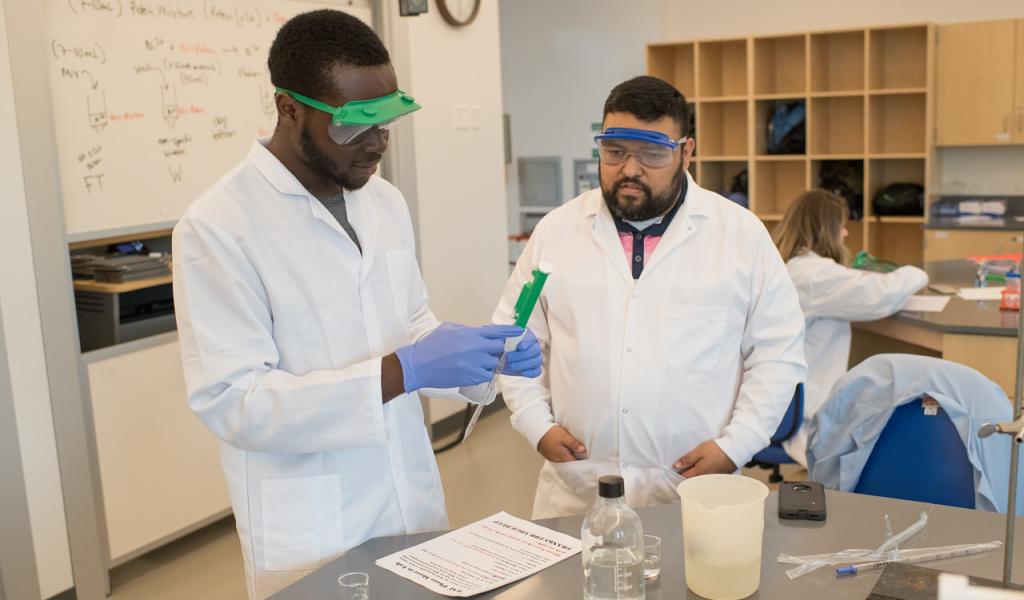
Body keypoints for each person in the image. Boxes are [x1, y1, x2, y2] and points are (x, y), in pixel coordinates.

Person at [171, 10, 540, 598]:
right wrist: (402, 371)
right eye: (355, 125)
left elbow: (409, 324)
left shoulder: (384, 201)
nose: (376, 144)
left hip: (408, 497)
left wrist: (477, 358)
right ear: (289, 109)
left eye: (386, 122)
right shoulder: (217, 227)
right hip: (314, 523)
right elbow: (234, 402)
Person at [494, 76, 807, 519]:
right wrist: (534, 424)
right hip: (578, 486)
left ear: (686, 151)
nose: (630, 169)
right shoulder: (555, 233)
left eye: (652, 153)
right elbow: (514, 338)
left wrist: (736, 446)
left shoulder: (740, 236)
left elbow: (778, 354)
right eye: (614, 151)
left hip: (694, 489)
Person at [773, 190, 928, 467]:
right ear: (825, 229)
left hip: (785, 401)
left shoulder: (791, 266)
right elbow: (881, 294)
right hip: (800, 416)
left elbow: (851, 285)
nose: (845, 233)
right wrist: (918, 272)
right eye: (841, 226)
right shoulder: (813, 274)